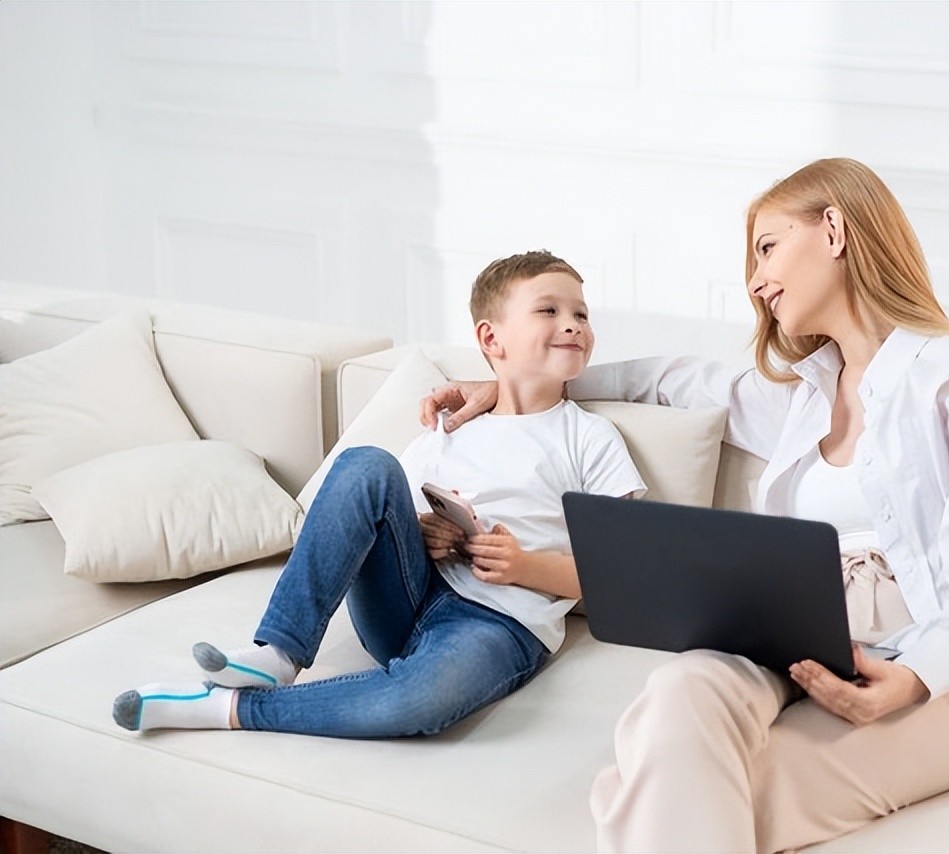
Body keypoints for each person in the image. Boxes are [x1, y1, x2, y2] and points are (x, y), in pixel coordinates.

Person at [421, 159, 949, 851]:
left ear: (834, 230)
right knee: (680, 694)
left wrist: (914, 678)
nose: (757, 281)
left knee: (701, 791)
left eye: (768, 248)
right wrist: (516, 383)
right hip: (794, 634)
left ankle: (642, 803)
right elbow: (672, 380)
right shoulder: (802, 396)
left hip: (947, 669)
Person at [112, 250, 646, 738]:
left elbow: (621, 575)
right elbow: (382, 516)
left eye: (581, 314)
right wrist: (424, 530)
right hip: (406, 599)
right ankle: (277, 652)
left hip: (499, 624)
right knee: (366, 463)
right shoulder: (449, 430)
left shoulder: (590, 437)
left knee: (417, 702)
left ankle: (222, 708)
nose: (574, 324)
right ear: (491, 339)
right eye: (549, 310)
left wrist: (523, 565)